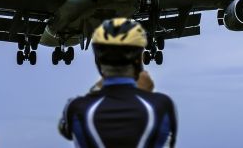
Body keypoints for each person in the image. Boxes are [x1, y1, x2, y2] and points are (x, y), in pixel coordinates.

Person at [59, 18, 177, 147]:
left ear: (98, 61)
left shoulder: (75, 108)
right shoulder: (162, 106)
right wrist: (144, 93)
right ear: (139, 59)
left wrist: (98, 88)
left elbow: (65, 130)